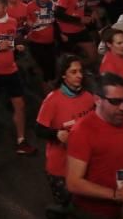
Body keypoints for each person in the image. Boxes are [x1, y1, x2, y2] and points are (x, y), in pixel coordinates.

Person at [65, 73, 123, 219]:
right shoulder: (83, 131)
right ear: (97, 99)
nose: (122, 107)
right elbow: (73, 183)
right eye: (115, 102)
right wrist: (117, 195)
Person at [35, 54, 95, 206]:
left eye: (80, 71)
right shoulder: (52, 100)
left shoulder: (88, 97)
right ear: (63, 75)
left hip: (85, 165)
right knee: (66, 209)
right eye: (73, 72)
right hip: (60, 169)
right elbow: (39, 130)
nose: (79, 76)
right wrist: (56, 134)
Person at [0, 0, 35, 155]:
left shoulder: (12, 22)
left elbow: (11, 42)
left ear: (5, 8)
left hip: (11, 70)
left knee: (20, 105)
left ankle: (21, 140)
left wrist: (16, 47)